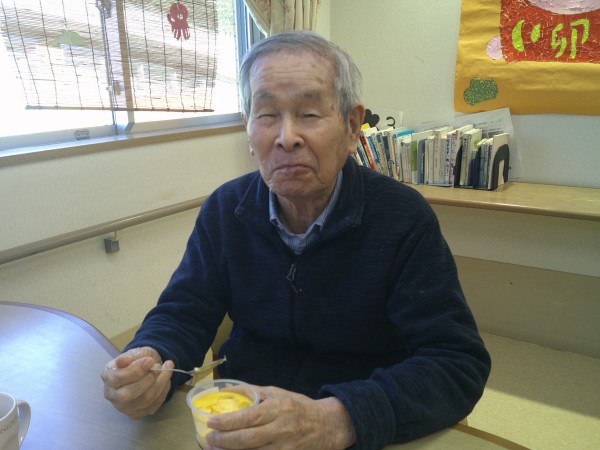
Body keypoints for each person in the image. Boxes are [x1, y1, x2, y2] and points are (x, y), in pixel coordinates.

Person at [102, 30, 491, 450]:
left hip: (362, 432)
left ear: (352, 126)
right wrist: (151, 356)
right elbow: (184, 312)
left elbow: (456, 364)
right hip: (241, 424)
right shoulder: (225, 210)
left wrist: (337, 419)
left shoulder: (402, 219)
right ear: (248, 129)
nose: (286, 137)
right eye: (267, 115)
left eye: (309, 113)